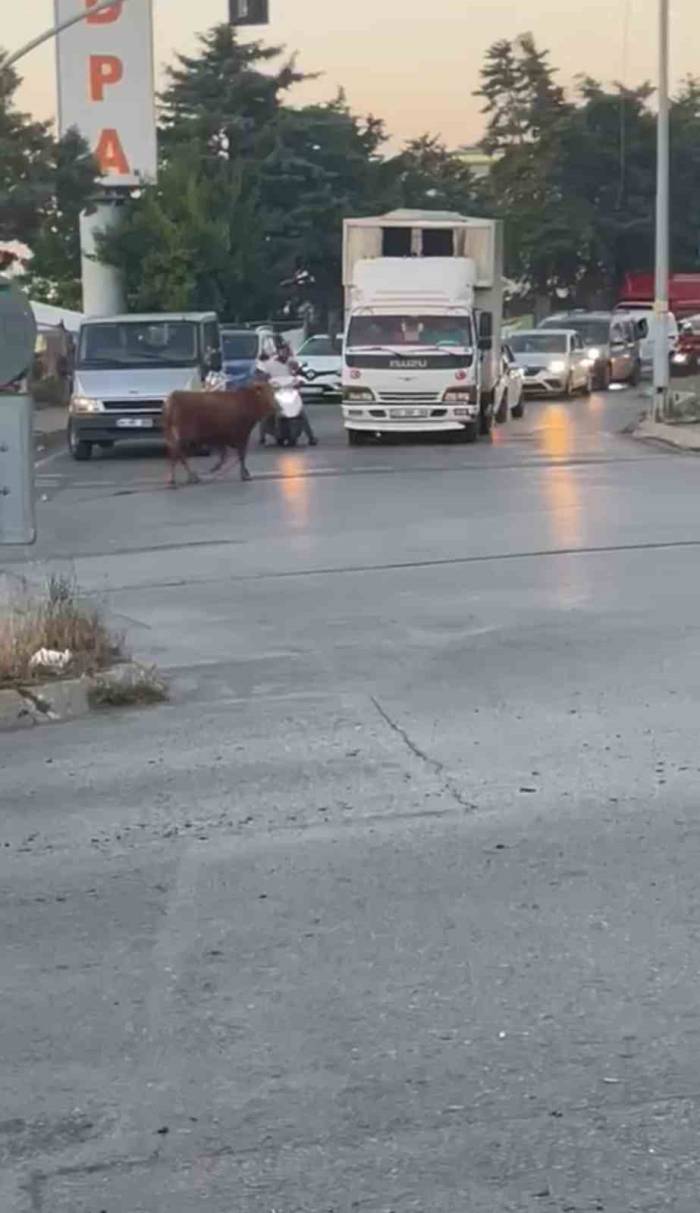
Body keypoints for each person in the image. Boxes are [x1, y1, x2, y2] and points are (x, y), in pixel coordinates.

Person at [257, 342, 318, 446]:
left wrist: (300, 380)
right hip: (275, 393)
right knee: (266, 413)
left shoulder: (292, 363)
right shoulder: (269, 364)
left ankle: (311, 437)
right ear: (278, 352)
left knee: (301, 412)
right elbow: (262, 376)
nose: (284, 353)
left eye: (286, 351)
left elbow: (300, 374)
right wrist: (265, 383)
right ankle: (262, 436)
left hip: (290, 392)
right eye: (282, 351)